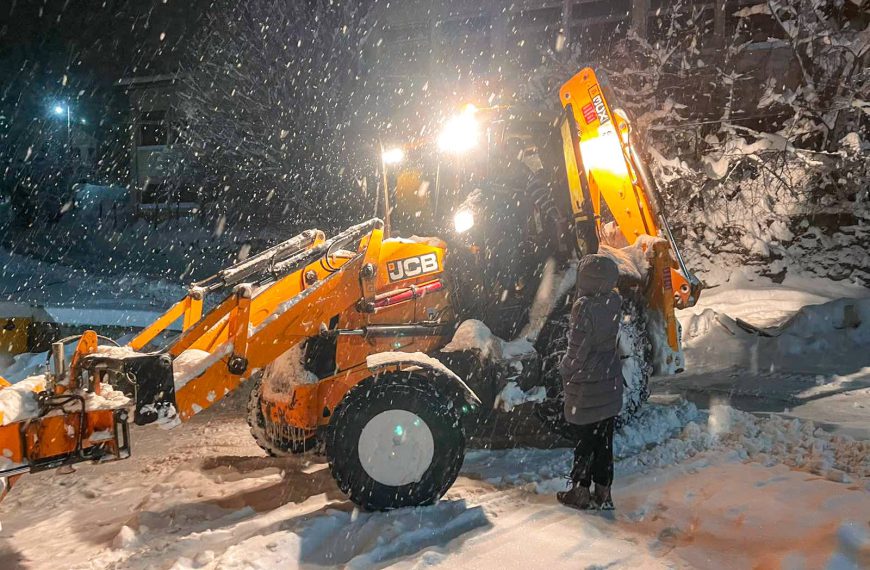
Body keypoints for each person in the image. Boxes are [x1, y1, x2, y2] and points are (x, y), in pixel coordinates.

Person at [557, 254, 624, 510]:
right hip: (609, 377)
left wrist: (564, 369)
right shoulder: (614, 301)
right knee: (604, 441)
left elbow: (578, 350)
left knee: (584, 441)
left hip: (587, 382)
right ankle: (604, 493)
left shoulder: (583, 307)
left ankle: (580, 492)